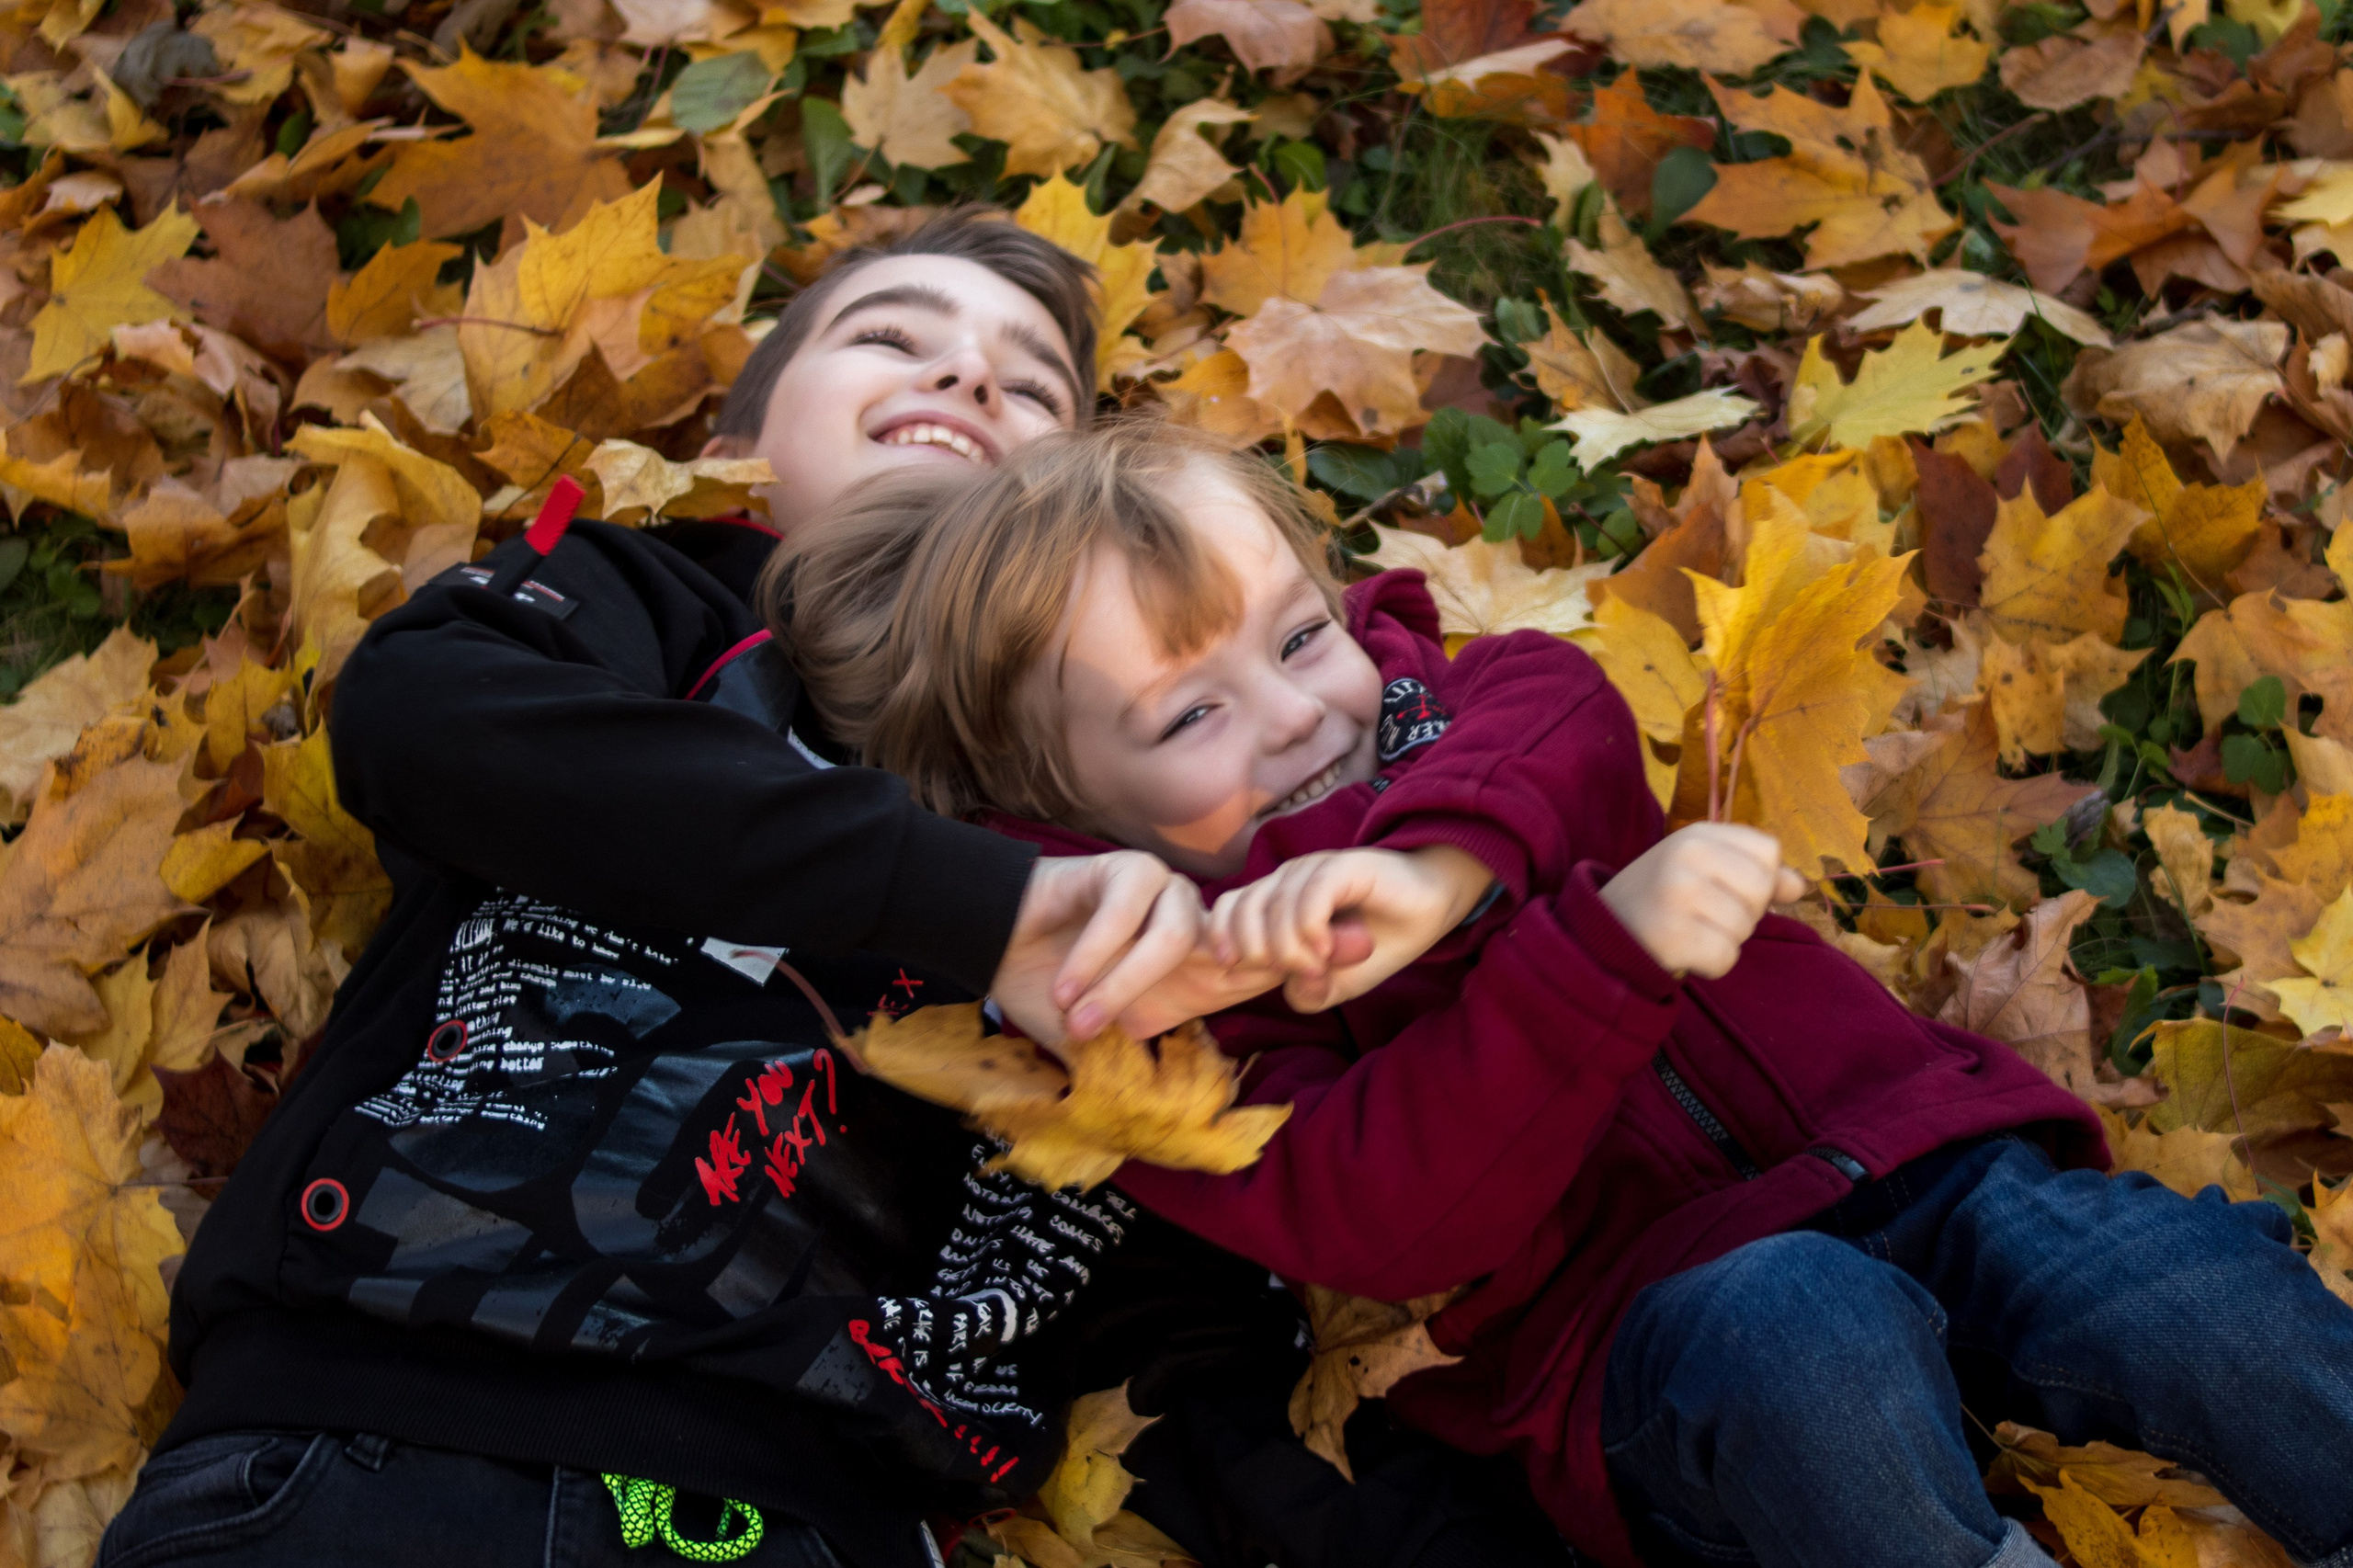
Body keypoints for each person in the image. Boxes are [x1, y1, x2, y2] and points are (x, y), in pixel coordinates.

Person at [776, 417, 2353, 1568]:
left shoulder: (1459, 715)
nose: (1299, 714)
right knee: (1804, 1340)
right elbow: (1375, 1212)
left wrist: (1439, 874)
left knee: (2171, 1283)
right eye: (1189, 711)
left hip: (1912, 1153)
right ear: (1056, 807)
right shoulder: (1143, 1005)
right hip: (1646, 1331)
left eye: (1300, 633)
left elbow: (1562, 716)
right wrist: (1596, 956)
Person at [101, 212, 1279, 1568]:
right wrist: (974, 905)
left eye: (1031, 387)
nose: (966, 382)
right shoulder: (641, 603)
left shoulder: (1121, 798)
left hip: (812, 1515)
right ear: (749, 430)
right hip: (373, 1437)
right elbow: (426, 721)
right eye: (892, 336)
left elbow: (1170, 1259)